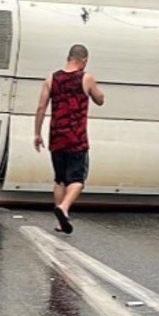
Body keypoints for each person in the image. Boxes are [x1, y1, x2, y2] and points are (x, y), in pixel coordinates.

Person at [34, 44, 105, 234]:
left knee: (60, 180)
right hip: (76, 137)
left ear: (68, 57)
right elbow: (100, 100)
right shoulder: (86, 78)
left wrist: (37, 133)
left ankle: (60, 221)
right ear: (84, 61)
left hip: (56, 135)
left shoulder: (51, 78)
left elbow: (41, 107)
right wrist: (95, 90)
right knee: (77, 180)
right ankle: (64, 208)